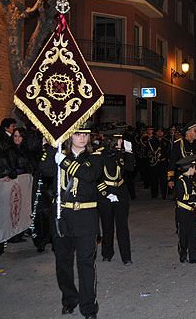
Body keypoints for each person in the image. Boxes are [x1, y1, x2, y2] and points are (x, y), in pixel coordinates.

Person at [39, 121, 104, 318]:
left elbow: (89, 174)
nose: (82, 138)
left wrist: (64, 161)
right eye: (77, 134)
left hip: (85, 218)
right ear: (69, 137)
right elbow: (45, 169)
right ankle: (69, 300)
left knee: (86, 263)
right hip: (62, 217)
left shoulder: (95, 156)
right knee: (63, 263)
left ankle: (89, 307)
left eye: (85, 134)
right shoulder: (59, 153)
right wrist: (52, 146)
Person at [97, 130, 135, 265]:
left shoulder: (121, 154)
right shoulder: (100, 155)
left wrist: (130, 153)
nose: (122, 142)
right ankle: (107, 253)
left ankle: (126, 257)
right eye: (119, 140)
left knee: (122, 227)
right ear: (112, 140)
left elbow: (130, 168)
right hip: (105, 195)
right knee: (107, 226)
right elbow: (96, 178)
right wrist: (106, 193)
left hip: (121, 193)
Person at [168, 122, 196, 233]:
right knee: (182, 200)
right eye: (195, 131)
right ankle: (181, 225)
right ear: (188, 133)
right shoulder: (178, 145)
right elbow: (172, 163)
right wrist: (170, 178)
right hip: (183, 177)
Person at [174, 155, 196, 264]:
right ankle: (183, 253)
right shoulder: (180, 181)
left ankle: (194, 257)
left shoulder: (192, 180)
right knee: (184, 235)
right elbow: (181, 196)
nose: (195, 170)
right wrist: (194, 197)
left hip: (192, 211)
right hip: (183, 212)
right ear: (189, 168)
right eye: (194, 167)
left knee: (193, 235)